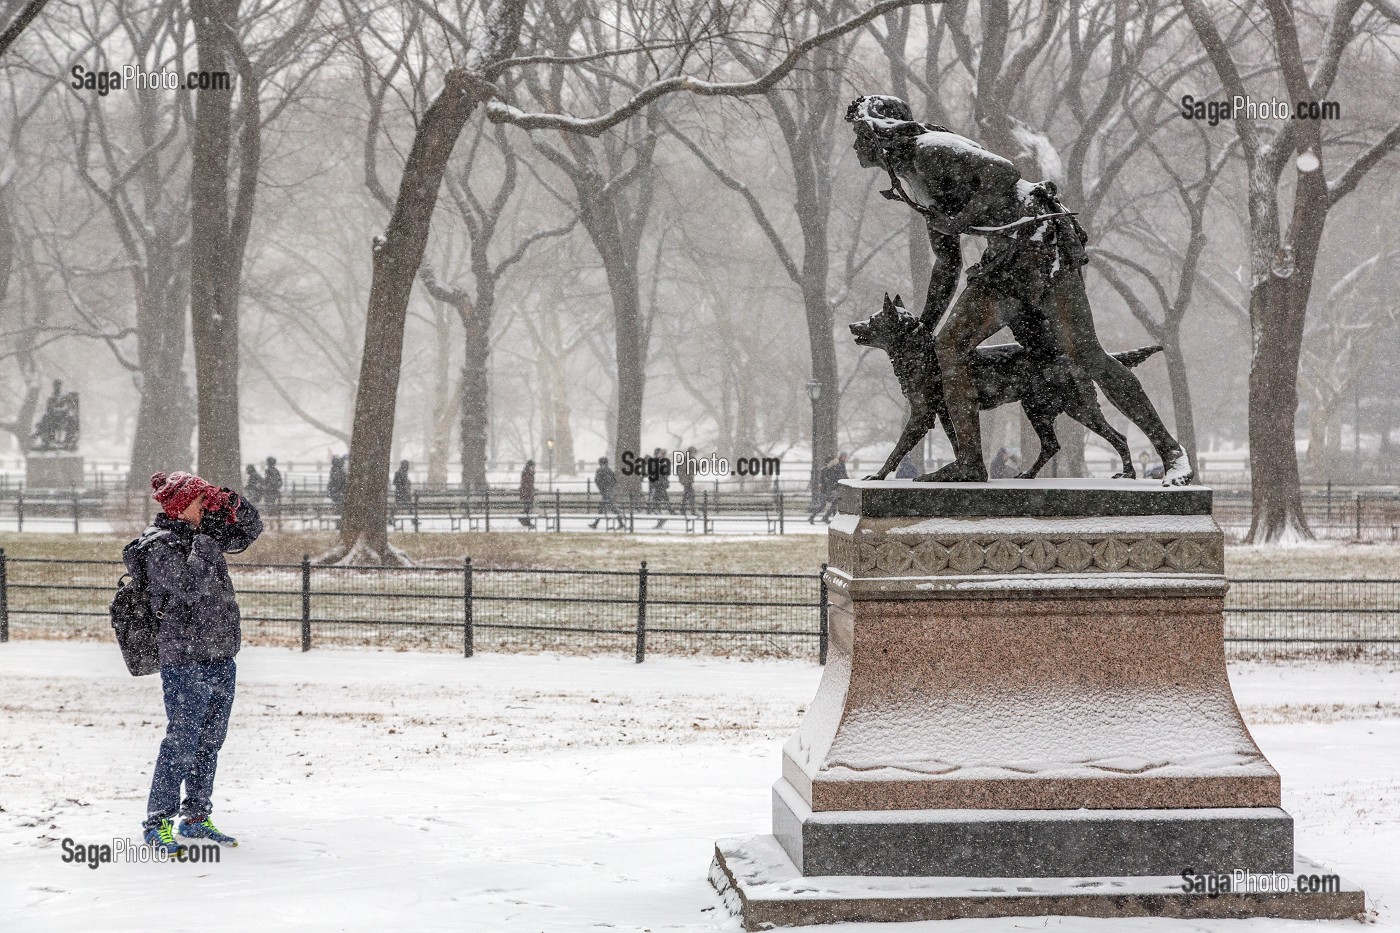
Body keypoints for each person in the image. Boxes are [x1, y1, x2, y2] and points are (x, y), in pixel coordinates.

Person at [845, 95, 1192, 486]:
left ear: (882, 132)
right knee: (947, 348)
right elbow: (947, 263)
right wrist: (925, 325)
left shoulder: (930, 150)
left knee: (1085, 355)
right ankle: (970, 464)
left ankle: (1171, 452)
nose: (855, 144)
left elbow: (1004, 172)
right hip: (1002, 261)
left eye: (860, 134)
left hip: (1040, 243)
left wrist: (959, 219)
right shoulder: (913, 180)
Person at [127, 470, 262, 854]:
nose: (206, 507)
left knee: (209, 742)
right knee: (182, 741)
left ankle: (197, 816)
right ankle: (158, 822)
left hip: (220, 655)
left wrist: (232, 503)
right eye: (201, 501)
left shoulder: (203, 534)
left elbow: (250, 531)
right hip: (185, 659)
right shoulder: (159, 545)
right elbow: (188, 587)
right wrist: (205, 539)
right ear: (181, 506)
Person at [809, 452, 849, 523]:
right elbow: (835, 478)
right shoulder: (829, 469)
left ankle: (824, 517)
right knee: (827, 505)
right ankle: (818, 517)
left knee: (833, 503)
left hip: (829, 489)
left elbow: (839, 476)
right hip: (828, 490)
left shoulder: (831, 468)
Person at [589, 456, 625, 529]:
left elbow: (597, 480)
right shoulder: (610, 470)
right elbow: (615, 481)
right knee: (607, 508)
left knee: (608, 508)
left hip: (605, 492)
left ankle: (596, 524)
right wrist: (610, 488)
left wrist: (601, 489)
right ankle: (596, 524)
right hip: (610, 491)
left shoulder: (600, 470)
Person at [646, 446, 675, 528]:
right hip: (660, 486)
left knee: (653, 504)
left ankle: (661, 518)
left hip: (657, 486)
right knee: (657, 503)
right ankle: (662, 517)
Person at [676, 445, 698, 515]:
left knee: (686, 495)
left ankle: (682, 510)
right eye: (694, 453)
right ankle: (692, 511)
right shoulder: (686, 460)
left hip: (688, 480)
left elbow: (696, 468)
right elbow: (683, 470)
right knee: (691, 495)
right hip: (686, 481)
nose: (694, 455)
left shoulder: (690, 460)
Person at [518, 460, 536, 528]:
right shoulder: (527, 472)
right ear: (530, 466)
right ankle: (525, 520)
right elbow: (526, 483)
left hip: (528, 493)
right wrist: (529, 490)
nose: (534, 467)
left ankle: (525, 520)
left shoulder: (529, 472)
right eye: (533, 466)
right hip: (526, 493)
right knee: (527, 507)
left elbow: (529, 483)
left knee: (528, 508)